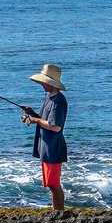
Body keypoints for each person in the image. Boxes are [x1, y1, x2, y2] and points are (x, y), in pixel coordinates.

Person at [22, 63, 69, 210]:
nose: (42, 84)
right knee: (50, 184)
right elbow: (45, 120)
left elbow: (55, 126)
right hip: (46, 147)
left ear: (51, 83)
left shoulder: (59, 101)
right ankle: (56, 211)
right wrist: (33, 114)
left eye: (44, 81)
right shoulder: (49, 98)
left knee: (54, 184)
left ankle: (59, 213)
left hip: (53, 147)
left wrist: (35, 120)